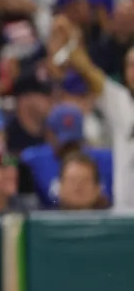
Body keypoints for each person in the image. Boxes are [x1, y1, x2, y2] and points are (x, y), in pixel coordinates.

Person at [50, 15, 134, 210]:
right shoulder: (121, 103)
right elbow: (89, 72)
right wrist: (72, 42)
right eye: (130, 65)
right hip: (127, 216)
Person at [20, 102, 113, 208]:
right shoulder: (33, 161)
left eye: (73, 142)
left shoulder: (107, 160)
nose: (70, 148)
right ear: (49, 134)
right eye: (65, 143)